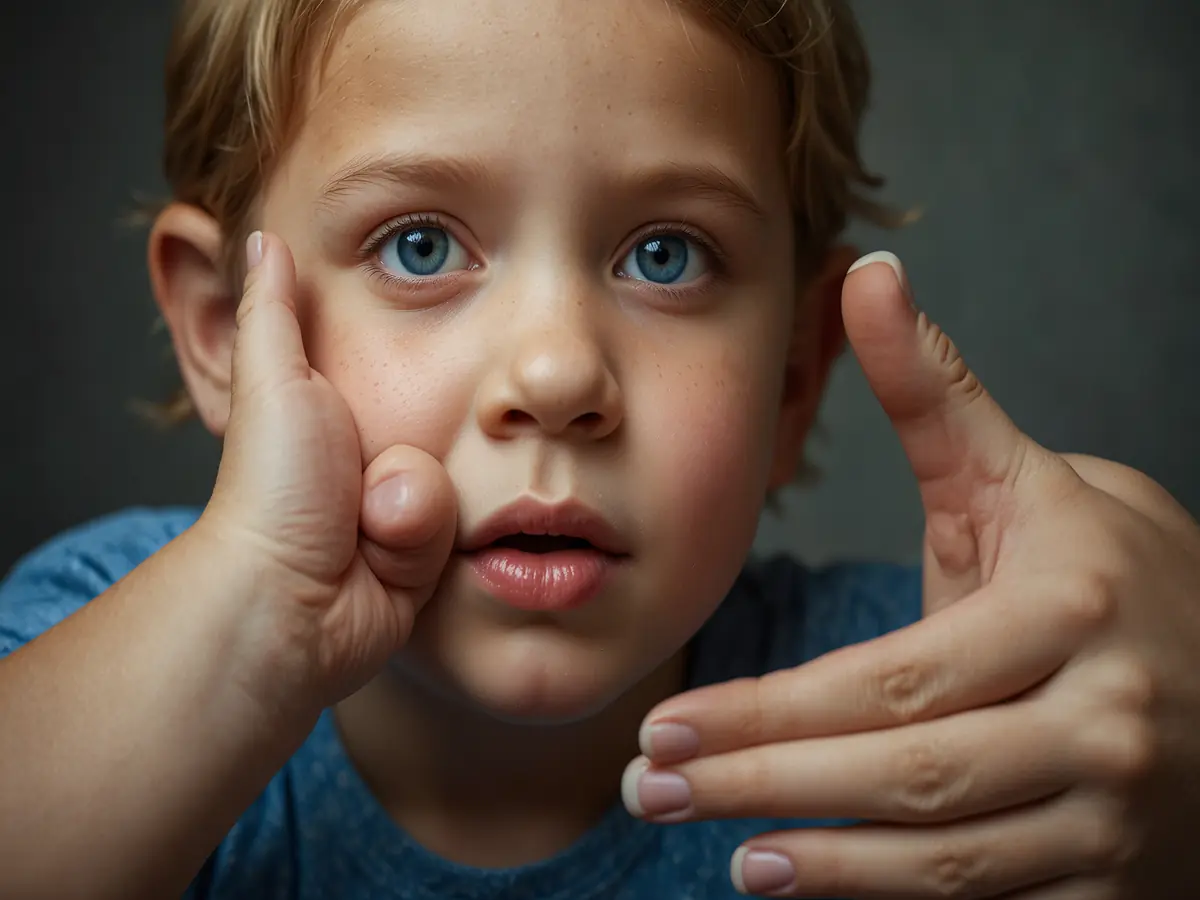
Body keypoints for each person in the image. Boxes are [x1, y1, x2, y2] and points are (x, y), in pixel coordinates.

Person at [2, 0, 1199, 897]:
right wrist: (251, 622)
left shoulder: (932, 716)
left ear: (793, 378)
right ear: (224, 333)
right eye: (421, 246)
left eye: (664, 256)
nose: (559, 373)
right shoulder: (94, 640)